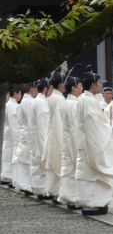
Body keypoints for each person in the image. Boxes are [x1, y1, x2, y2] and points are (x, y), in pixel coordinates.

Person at [75, 68, 113, 215]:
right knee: (94, 173)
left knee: (89, 173)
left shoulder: (83, 99)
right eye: (99, 82)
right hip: (91, 141)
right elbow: (95, 126)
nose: (100, 84)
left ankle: (96, 202)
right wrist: (108, 130)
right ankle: (96, 203)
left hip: (85, 140)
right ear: (93, 85)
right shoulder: (89, 101)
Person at [58, 76, 83, 209]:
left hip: (66, 139)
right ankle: (73, 198)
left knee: (67, 168)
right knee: (73, 168)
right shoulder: (75, 104)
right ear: (73, 88)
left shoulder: (66, 102)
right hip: (73, 139)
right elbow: (75, 127)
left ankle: (67, 197)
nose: (81, 88)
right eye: (79, 86)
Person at [42, 72, 66, 202]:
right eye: (63, 83)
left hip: (51, 134)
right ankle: (56, 192)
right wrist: (61, 138)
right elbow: (58, 121)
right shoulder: (59, 99)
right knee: (57, 163)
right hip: (57, 133)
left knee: (52, 164)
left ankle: (50, 190)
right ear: (60, 84)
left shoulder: (51, 98)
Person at [13, 82, 36, 194]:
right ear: (31, 88)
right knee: (28, 161)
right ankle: (27, 185)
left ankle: (23, 184)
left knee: (24, 160)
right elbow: (32, 121)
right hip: (28, 133)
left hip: (23, 133)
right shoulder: (30, 102)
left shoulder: (23, 101)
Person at [30, 78, 50, 198]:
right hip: (40, 137)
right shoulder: (41, 102)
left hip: (34, 137)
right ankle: (42, 190)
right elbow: (43, 126)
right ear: (46, 89)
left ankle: (38, 189)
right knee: (41, 166)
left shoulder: (34, 101)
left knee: (36, 166)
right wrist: (44, 147)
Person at [1, 87, 22, 187]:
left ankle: (5, 175)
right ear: (16, 94)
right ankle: (9, 177)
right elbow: (14, 125)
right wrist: (17, 138)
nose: (20, 96)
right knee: (10, 156)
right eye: (20, 93)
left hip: (7, 133)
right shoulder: (14, 106)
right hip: (11, 134)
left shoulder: (8, 104)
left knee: (6, 155)